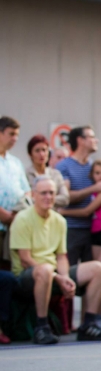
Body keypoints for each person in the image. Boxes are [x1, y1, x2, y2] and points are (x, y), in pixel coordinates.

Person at [11, 177, 101, 343]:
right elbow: (25, 259)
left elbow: (61, 256)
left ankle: (89, 324)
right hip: (27, 276)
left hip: (53, 273)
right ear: (34, 195)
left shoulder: (59, 220)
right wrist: (57, 277)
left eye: (51, 193)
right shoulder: (22, 218)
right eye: (43, 193)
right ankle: (42, 327)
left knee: (98, 268)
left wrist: (65, 276)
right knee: (44, 270)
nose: (48, 197)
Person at [57, 126, 101, 269]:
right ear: (80, 140)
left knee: (92, 273)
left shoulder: (95, 166)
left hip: (93, 230)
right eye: (92, 137)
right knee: (70, 270)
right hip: (71, 229)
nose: (96, 140)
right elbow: (65, 197)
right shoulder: (64, 166)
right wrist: (93, 188)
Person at [60, 160, 101, 268]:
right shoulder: (96, 189)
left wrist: (63, 211)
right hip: (96, 232)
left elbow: (87, 211)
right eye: (97, 173)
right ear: (92, 175)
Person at [0, 116, 31, 271]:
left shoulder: (15, 163)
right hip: (2, 222)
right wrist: (4, 215)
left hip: (15, 226)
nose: (15, 139)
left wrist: (16, 215)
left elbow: (27, 192)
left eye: (17, 135)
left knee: (8, 271)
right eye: (11, 134)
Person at [25, 134, 69, 210]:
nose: (41, 154)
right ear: (30, 154)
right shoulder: (25, 175)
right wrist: (52, 198)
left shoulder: (55, 174)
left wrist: (41, 199)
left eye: (44, 150)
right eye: (37, 151)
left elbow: (65, 198)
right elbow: (25, 200)